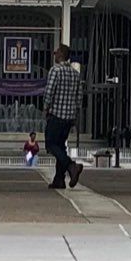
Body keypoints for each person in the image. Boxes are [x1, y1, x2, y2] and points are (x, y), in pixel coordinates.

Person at [41, 43, 85, 189]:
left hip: (56, 115)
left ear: (61, 55)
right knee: (61, 145)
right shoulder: (75, 74)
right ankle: (59, 179)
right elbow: (79, 97)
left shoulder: (55, 70)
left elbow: (49, 91)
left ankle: (72, 166)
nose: (54, 53)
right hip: (69, 117)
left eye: (57, 52)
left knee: (51, 144)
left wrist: (46, 108)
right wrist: (75, 114)